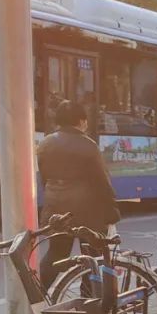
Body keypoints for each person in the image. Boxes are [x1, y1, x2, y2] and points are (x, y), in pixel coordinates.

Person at [37, 100, 119, 290]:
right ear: (81, 121)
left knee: (56, 253)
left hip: (55, 206)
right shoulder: (88, 145)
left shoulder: (45, 143)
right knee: (91, 255)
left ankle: (37, 294)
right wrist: (111, 211)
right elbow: (102, 182)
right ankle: (89, 300)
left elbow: (45, 178)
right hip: (87, 210)